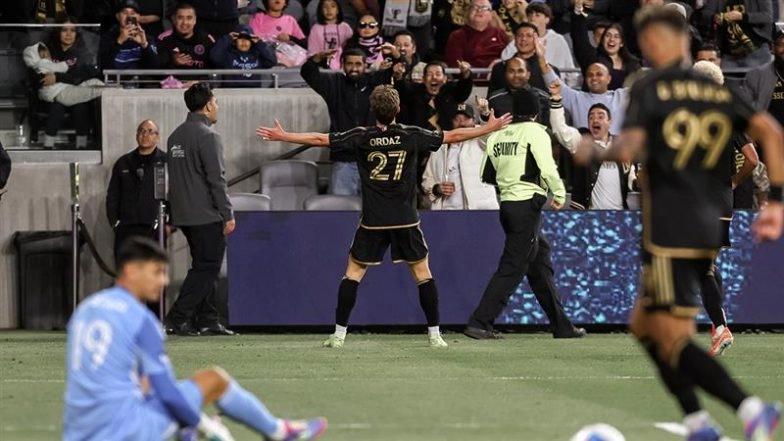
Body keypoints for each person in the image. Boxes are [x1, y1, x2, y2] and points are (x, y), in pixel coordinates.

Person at [583, 7, 783, 440]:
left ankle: (749, 411)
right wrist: (777, 204)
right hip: (702, 218)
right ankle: (698, 422)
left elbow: (629, 147)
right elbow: (771, 134)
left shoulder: (650, 86)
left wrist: (592, 150)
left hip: (673, 227)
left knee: (666, 335)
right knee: (644, 325)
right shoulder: (715, 91)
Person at [256, 85, 513, 348]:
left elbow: (321, 139)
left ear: (372, 110)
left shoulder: (361, 136)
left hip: (373, 220)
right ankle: (435, 335)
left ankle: (339, 335)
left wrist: (284, 135)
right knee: (423, 274)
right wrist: (487, 128)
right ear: (398, 109)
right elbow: (453, 135)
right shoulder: (411, 134)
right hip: (406, 219)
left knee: (353, 273)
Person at [63, 237, 327, 441]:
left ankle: (183, 429)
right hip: (125, 431)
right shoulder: (142, 320)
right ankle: (279, 432)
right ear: (132, 270)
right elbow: (167, 393)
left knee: (146, 384)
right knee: (213, 380)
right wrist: (206, 427)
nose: (164, 280)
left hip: (78, 430)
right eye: (157, 272)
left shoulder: (86, 309)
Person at [464, 89, 586, 340]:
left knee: (540, 264)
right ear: (536, 112)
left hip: (507, 205)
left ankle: (561, 325)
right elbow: (547, 166)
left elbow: (486, 175)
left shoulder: (498, 135)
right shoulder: (536, 132)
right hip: (527, 205)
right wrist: (559, 193)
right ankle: (480, 322)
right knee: (512, 266)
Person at [165, 83, 235, 337]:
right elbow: (217, 179)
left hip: (183, 214)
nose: (217, 107)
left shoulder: (175, 136)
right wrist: (227, 214)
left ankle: (208, 319)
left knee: (204, 265)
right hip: (206, 214)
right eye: (215, 103)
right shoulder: (208, 137)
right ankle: (176, 318)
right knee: (207, 267)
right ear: (207, 106)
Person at [301, 48, 393, 195]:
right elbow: (308, 73)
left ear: (365, 66)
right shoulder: (334, 83)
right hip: (343, 160)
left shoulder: (375, 84)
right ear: (343, 65)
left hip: (373, 160)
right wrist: (317, 58)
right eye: (349, 64)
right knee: (340, 211)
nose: (354, 68)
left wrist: (393, 54)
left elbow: (398, 70)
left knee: (375, 210)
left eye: (358, 64)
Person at [549, 83, 636, 210]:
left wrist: (639, 181)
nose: (595, 120)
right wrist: (556, 99)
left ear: (610, 122)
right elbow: (559, 129)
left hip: (619, 216)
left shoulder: (620, 146)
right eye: (591, 117)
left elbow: (631, 178)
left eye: (601, 116)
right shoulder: (582, 142)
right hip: (589, 217)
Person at [106, 119, 167, 264]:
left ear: (157, 137)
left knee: (153, 272)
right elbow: (113, 195)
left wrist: (171, 224)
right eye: (141, 131)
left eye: (150, 131)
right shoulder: (123, 162)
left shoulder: (166, 162)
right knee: (126, 270)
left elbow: (175, 194)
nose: (145, 135)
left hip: (154, 227)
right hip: (127, 227)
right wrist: (115, 222)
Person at [422, 102, 499, 210]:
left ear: (474, 120)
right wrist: (437, 188)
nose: (461, 122)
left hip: (480, 211)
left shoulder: (481, 140)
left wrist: (485, 116)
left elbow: (492, 137)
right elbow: (427, 178)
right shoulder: (441, 145)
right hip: (447, 212)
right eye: (457, 119)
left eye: (466, 118)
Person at [39, 17, 100, 149]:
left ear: (77, 33)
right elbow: (40, 73)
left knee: (80, 107)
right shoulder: (48, 49)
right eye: (64, 30)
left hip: (75, 91)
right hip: (53, 93)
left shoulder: (82, 52)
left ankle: (81, 147)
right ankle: (48, 146)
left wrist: (58, 78)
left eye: (72, 30)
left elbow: (82, 75)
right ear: (58, 32)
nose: (68, 34)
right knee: (57, 107)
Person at [571, 1, 641, 91]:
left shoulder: (633, 64)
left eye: (616, 36)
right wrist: (578, 11)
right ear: (602, 40)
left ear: (622, 43)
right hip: (594, 104)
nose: (612, 39)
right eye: (608, 35)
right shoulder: (591, 58)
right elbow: (579, 37)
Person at [499, 3, 574, 73]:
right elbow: (505, 58)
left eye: (537, 15)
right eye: (529, 15)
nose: (532, 18)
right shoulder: (519, 40)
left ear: (547, 19)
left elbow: (569, 65)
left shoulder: (558, 40)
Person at [23, 42, 104, 107]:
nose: (47, 56)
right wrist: (66, 65)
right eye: (44, 55)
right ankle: (108, 90)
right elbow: (61, 68)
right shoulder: (42, 64)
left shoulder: (39, 67)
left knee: (93, 83)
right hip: (61, 93)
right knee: (94, 89)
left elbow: (83, 74)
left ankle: (106, 89)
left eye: (47, 53)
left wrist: (57, 77)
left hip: (66, 88)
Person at [701, 0, 773, 68]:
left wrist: (742, 16)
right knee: (727, 80)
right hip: (728, 52)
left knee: (757, 80)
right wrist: (717, 17)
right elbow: (706, 14)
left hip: (756, 50)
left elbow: (767, 16)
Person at [489, 23, 557, 94]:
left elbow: (555, 101)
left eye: (529, 36)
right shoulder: (499, 68)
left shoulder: (550, 71)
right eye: (520, 35)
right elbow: (491, 100)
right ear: (514, 41)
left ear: (536, 40)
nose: (523, 39)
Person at [484, 57, 550, 129]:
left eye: (520, 71)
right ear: (505, 74)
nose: (516, 75)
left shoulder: (543, 98)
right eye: (511, 71)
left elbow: (549, 128)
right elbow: (487, 128)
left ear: (528, 74)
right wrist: (484, 113)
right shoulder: (494, 99)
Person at [444, 0, 509, 68]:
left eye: (484, 8)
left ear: (491, 15)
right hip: (471, 76)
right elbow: (455, 64)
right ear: (468, 12)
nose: (479, 10)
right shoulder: (457, 36)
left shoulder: (500, 33)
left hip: (497, 75)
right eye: (475, 7)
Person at [99, 0, 159, 71]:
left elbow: (155, 68)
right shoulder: (107, 37)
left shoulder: (146, 38)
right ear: (118, 16)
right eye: (125, 13)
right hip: (114, 80)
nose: (129, 16)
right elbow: (103, 66)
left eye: (133, 13)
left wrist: (144, 45)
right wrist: (119, 42)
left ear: (138, 17)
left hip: (139, 80)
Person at [209, 25, 277, 87]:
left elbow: (272, 61)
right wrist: (227, 38)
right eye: (240, 38)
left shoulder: (257, 54)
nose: (244, 41)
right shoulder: (228, 54)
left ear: (251, 41)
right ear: (235, 41)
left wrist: (260, 43)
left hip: (253, 94)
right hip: (231, 94)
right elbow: (214, 58)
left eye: (247, 39)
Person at [157, 3, 216, 70]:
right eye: (180, 18)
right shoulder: (164, 39)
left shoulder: (207, 39)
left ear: (195, 20)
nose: (184, 22)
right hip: (173, 79)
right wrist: (173, 62)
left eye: (189, 18)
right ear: (173, 19)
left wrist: (199, 80)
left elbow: (214, 70)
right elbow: (157, 71)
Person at [307, 0, 353, 70]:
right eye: (325, 7)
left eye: (333, 6)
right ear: (321, 11)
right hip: (321, 65)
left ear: (338, 10)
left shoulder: (345, 27)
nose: (329, 10)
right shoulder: (316, 28)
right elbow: (312, 53)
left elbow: (351, 49)